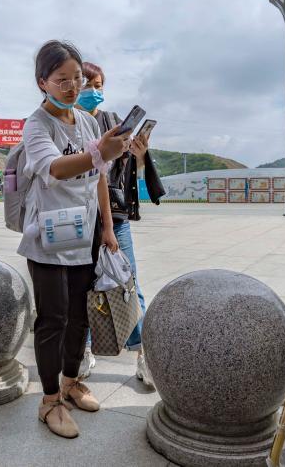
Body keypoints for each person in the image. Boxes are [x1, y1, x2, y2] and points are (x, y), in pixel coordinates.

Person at [18, 40, 130, 439]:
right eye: (62, 79)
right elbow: (53, 169)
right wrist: (101, 153)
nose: (71, 86)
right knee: (53, 319)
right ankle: (48, 401)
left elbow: (99, 176)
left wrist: (105, 228)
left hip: (84, 236)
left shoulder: (86, 121)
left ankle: (70, 382)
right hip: (48, 239)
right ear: (42, 82)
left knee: (79, 315)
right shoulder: (36, 124)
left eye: (77, 78)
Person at [75, 62, 166, 387]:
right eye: (85, 82)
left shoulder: (111, 121)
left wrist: (139, 155)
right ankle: (83, 350)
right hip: (78, 217)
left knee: (129, 283)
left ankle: (144, 354)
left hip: (114, 215)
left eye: (96, 83)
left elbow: (120, 169)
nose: (90, 88)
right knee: (82, 288)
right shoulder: (68, 121)